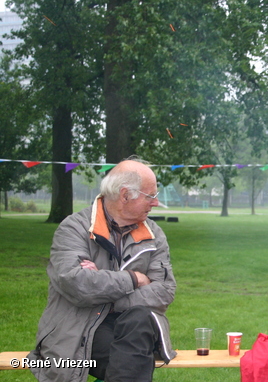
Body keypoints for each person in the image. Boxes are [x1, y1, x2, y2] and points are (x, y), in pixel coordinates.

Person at [28, 158, 177, 382]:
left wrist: (102, 285)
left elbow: (164, 291)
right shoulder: (73, 228)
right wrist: (135, 279)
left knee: (140, 319)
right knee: (131, 363)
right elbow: (76, 284)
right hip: (81, 327)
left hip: (134, 329)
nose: (155, 203)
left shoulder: (154, 233)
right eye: (151, 196)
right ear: (126, 195)